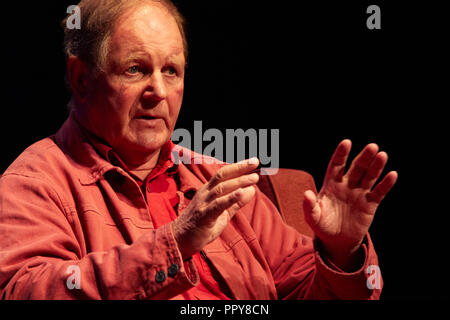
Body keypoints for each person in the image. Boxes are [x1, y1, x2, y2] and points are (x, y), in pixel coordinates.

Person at [0, 0, 397, 300]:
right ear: (82, 79)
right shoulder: (35, 181)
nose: (158, 91)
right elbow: (24, 290)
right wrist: (175, 243)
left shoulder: (218, 180)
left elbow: (307, 290)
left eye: (171, 70)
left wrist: (341, 254)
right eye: (135, 69)